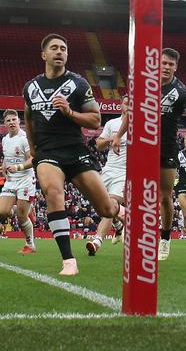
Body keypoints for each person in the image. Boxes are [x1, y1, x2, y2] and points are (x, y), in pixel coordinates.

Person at [24, 34, 122, 275]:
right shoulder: (31, 87)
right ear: (44, 55)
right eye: (54, 48)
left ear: (67, 55)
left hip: (76, 152)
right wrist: (34, 149)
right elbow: (28, 118)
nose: (59, 52)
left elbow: (96, 120)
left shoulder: (78, 84)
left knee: (106, 210)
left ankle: (120, 214)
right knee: (53, 192)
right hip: (48, 152)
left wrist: (70, 112)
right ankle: (69, 261)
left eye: (63, 49)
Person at [114, 48, 186, 261]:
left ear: (176, 67)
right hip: (141, 147)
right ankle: (134, 234)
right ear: (157, 63)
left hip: (166, 149)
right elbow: (131, 114)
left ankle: (164, 239)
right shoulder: (142, 84)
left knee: (165, 196)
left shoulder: (182, 92)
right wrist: (119, 135)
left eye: (170, 65)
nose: (166, 67)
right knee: (135, 193)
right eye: (163, 63)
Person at [86, 95, 128, 256]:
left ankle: (97, 241)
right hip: (109, 169)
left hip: (125, 173)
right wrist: (114, 137)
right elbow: (99, 145)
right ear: (120, 106)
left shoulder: (140, 124)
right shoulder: (112, 124)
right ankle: (118, 225)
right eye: (126, 103)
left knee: (111, 204)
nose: (129, 105)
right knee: (99, 205)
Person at [1, 109, 37, 254]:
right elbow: (7, 159)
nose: (11, 123)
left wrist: (18, 167)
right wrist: (4, 167)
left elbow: (32, 159)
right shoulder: (5, 139)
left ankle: (30, 244)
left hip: (25, 180)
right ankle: (22, 208)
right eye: (8, 120)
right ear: (4, 123)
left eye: (13, 120)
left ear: (18, 121)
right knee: (2, 212)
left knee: (22, 217)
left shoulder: (24, 138)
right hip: (11, 180)